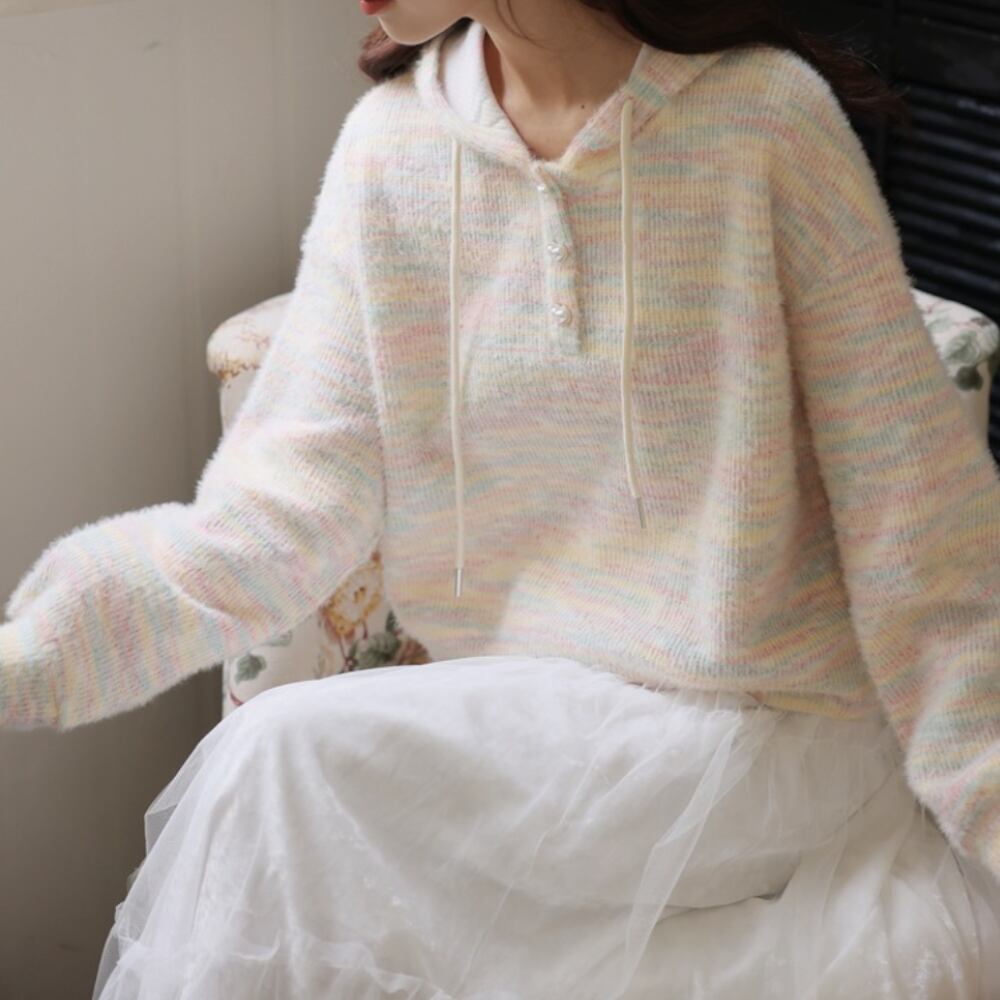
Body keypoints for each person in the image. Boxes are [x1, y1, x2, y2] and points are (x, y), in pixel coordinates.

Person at [4, 0, 1000, 996]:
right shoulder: (391, 149)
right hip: (533, 730)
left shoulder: (767, 123)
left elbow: (916, 519)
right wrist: (28, 658)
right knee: (277, 783)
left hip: (771, 730)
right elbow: (272, 521)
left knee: (281, 763)